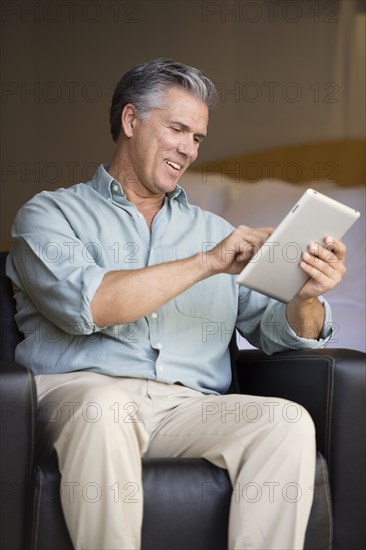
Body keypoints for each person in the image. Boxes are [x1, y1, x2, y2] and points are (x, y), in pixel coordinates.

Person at [6, 58, 346, 550]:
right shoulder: (49, 214)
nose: (188, 150)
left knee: (286, 422)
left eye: (198, 138)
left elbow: (281, 333)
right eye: (178, 129)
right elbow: (93, 304)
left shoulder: (214, 231)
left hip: (186, 407)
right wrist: (206, 263)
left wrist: (306, 298)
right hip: (79, 395)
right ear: (130, 121)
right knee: (105, 410)